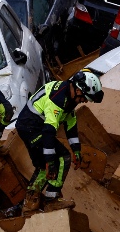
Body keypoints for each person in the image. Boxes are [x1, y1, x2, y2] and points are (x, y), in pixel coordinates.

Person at [17, 70, 104, 212]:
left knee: (42, 166)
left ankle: (30, 201)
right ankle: (52, 200)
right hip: (31, 128)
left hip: (34, 127)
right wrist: (50, 161)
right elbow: (48, 132)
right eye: (84, 97)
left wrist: (77, 150)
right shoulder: (57, 100)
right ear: (77, 89)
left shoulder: (69, 98)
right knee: (62, 157)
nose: (85, 101)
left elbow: (71, 127)